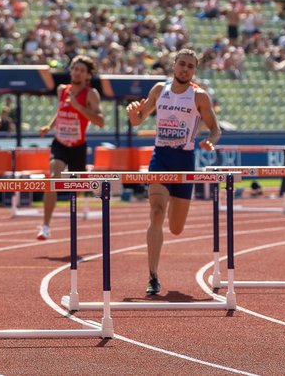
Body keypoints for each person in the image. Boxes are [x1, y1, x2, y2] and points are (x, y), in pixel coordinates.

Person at [126, 48, 221, 295]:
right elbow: (139, 119)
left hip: (184, 160)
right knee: (156, 212)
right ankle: (153, 275)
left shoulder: (199, 97)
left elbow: (215, 129)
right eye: (182, 64)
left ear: (194, 71)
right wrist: (132, 114)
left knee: (176, 228)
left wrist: (210, 141)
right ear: (174, 65)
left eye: (190, 66)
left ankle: (159, 257)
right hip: (161, 159)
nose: (185, 69)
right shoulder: (159, 90)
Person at [36, 55, 105, 240]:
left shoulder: (91, 94)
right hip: (60, 142)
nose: (77, 72)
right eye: (75, 68)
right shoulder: (62, 90)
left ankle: (72, 220)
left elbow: (100, 121)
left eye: (82, 70)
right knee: (53, 176)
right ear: (71, 70)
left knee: (78, 188)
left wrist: (78, 106)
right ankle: (45, 226)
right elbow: (60, 111)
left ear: (88, 75)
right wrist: (49, 127)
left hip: (78, 146)